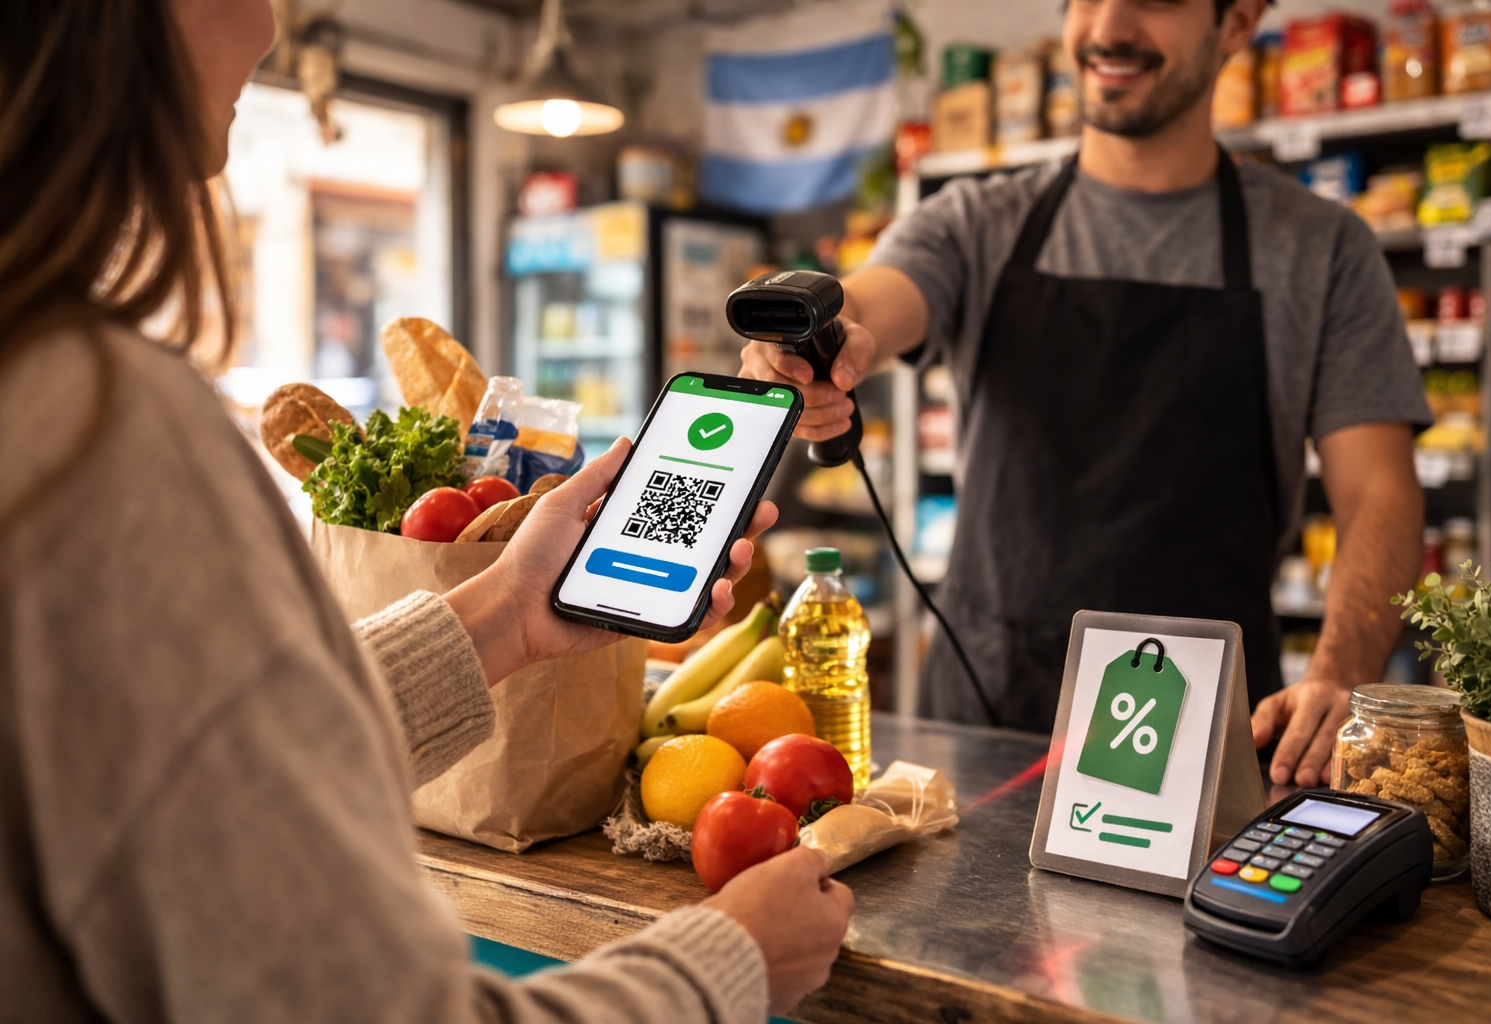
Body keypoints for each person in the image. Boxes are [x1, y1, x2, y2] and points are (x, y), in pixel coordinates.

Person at [0, 2, 852, 1022]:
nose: (269, 23)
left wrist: (506, 613)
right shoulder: (96, 424)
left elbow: (181, 782)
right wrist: (729, 961)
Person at [743, 0, 1431, 789]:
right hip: (983, 722)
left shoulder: (1322, 250)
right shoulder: (975, 223)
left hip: (1204, 739)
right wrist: (827, 330)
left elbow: (1381, 493)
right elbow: (869, 300)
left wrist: (1340, 673)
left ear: (1237, 25)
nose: (1109, 26)